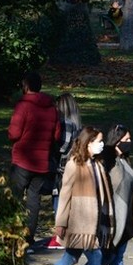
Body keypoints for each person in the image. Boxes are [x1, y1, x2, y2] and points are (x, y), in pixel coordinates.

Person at [35, 127, 113, 265]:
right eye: (98, 141)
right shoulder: (74, 164)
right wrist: (60, 222)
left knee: (70, 257)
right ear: (88, 143)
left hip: (92, 223)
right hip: (79, 223)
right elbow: (65, 195)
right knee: (96, 258)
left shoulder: (97, 164)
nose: (101, 145)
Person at [68, 124, 133, 265]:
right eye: (125, 140)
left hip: (124, 217)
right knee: (108, 257)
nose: (129, 143)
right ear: (116, 140)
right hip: (111, 218)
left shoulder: (123, 159)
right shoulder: (107, 160)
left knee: (114, 257)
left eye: (129, 139)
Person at [8, 71, 61, 252]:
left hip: (22, 158)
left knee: (15, 198)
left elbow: (14, 133)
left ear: (26, 85)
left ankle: (10, 235)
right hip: (42, 161)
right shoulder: (51, 108)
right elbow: (56, 135)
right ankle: (28, 238)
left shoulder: (23, 106)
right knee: (33, 200)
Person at [48, 93, 82, 250]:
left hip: (62, 166)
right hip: (71, 166)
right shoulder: (77, 126)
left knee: (59, 199)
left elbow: (63, 146)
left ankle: (60, 235)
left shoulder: (66, 124)